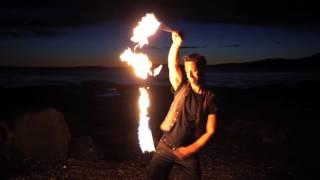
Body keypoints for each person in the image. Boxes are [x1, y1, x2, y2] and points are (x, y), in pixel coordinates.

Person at [147, 31, 217, 180]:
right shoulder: (182, 87)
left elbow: (210, 131)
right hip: (165, 147)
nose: (190, 76)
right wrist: (176, 44)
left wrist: (189, 150)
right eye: (187, 71)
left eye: (194, 71)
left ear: (203, 70)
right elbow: (172, 65)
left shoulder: (209, 98)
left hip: (188, 152)